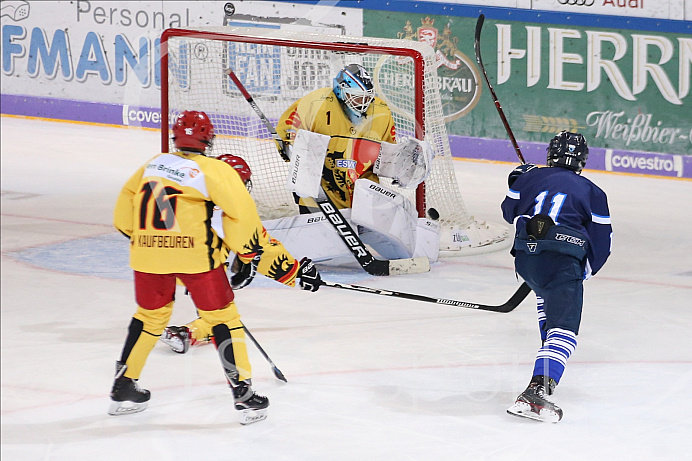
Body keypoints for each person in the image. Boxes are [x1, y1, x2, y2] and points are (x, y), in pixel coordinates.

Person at [110, 110, 320, 424]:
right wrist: (290, 271)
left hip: (146, 256)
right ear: (209, 139)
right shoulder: (215, 171)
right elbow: (247, 234)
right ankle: (243, 393)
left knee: (149, 317)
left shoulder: (152, 165)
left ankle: (123, 384)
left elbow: (123, 217)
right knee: (223, 318)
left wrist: (153, 243)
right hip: (196, 258)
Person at [268, 64, 438, 262]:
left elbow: (387, 155)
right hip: (320, 186)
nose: (363, 103)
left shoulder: (381, 111)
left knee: (380, 235)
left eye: (367, 98)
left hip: (361, 190)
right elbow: (287, 129)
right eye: (357, 97)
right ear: (340, 90)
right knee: (323, 247)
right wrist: (292, 147)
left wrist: (403, 163)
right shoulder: (315, 103)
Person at [501, 131, 612, 423]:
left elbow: (508, 212)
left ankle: (543, 371)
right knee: (565, 331)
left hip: (525, 259)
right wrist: (582, 272)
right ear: (582, 160)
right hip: (563, 260)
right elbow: (602, 244)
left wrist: (516, 180)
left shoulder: (530, 177)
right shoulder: (594, 192)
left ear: (551, 153)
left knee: (547, 306)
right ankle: (536, 391)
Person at [160, 153, 320, 354]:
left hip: (154, 257)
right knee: (224, 316)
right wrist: (295, 272)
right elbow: (260, 247)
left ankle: (176, 327)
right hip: (196, 265)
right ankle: (188, 333)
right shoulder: (233, 211)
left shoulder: (188, 191)